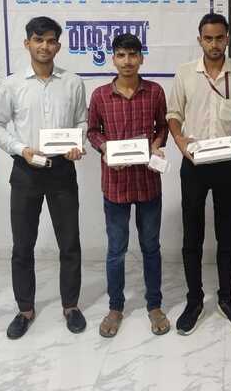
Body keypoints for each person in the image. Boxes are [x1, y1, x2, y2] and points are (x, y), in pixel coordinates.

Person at [0, 16, 88, 339]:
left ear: (58, 45)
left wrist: (77, 143)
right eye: (38, 39)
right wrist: (21, 149)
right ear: (27, 43)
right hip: (26, 170)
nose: (45, 46)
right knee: (22, 245)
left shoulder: (73, 82)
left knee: (69, 242)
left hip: (62, 170)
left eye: (51, 40)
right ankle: (25, 309)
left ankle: (71, 306)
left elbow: (82, 121)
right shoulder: (12, 84)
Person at [167, 13, 231, 335]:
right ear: (200, 39)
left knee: (227, 234)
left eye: (219, 38)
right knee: (192, 235)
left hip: (227, 164)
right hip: (193, 163)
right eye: (208, 38)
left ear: (227, 38)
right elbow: (173, 114)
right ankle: (194, 300)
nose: (214, 44)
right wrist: (180, 141)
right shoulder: (185, 73)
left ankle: (227, 298)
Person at [87, 33, 170, 338]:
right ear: (113, 59)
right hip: (116, 184)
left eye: (133, 55)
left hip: (147, 181)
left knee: (151, 248)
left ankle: (154, 305)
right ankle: (115, 307)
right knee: (116, 250)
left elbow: (163, 126)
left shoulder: (155, 91)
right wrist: (105, 148)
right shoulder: (100, 95)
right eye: (121, 55)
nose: (127, 61)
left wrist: (158, 144)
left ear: (141, 58)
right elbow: (92, 131)